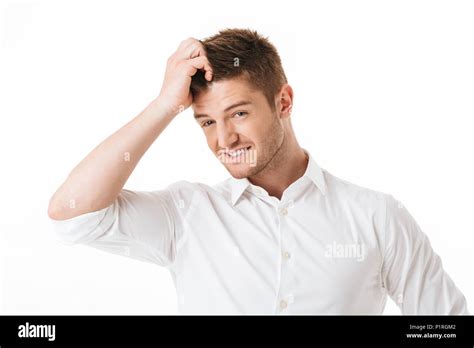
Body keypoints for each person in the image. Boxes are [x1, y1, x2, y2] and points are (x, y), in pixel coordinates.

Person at [48, 28, 468, 315]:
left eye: (239, 113)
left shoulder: (376, 216)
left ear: (283, 102)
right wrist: (165, 105)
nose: (224, 140)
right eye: (207, 122)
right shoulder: (187, 215)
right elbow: (72, 212)